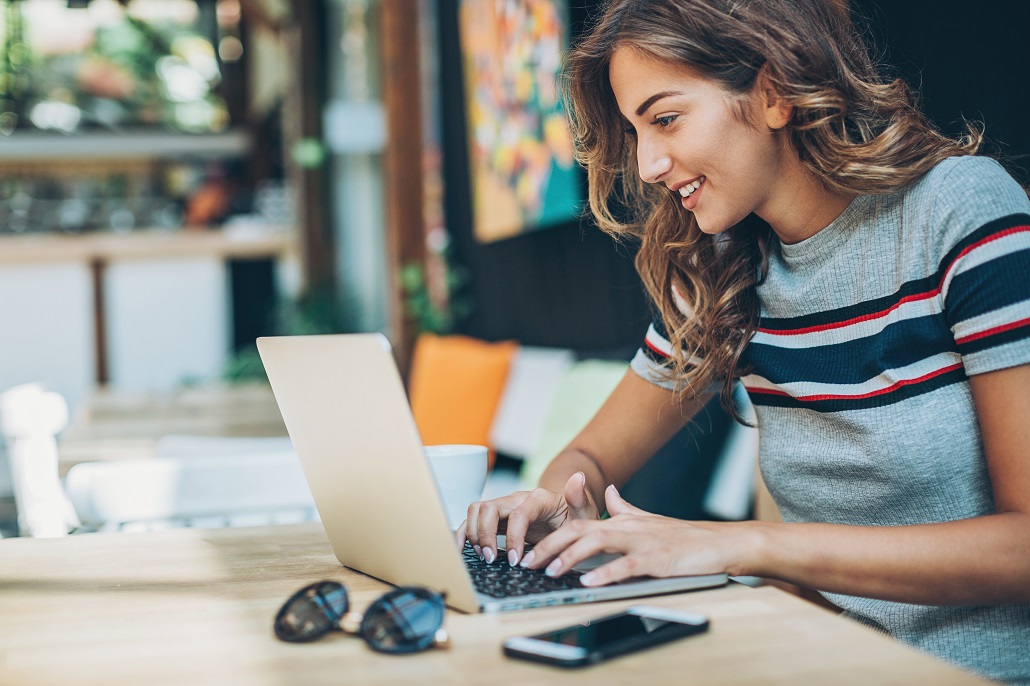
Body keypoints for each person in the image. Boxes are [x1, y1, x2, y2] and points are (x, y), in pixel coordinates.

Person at [458, 0, 1030, 682]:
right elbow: (588, 455)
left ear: (773, 91)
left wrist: (743, 545)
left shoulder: (961, 215)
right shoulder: (725, 269)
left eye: (665, 119)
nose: (646, 164)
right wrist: (547, 503)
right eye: (635, 131)